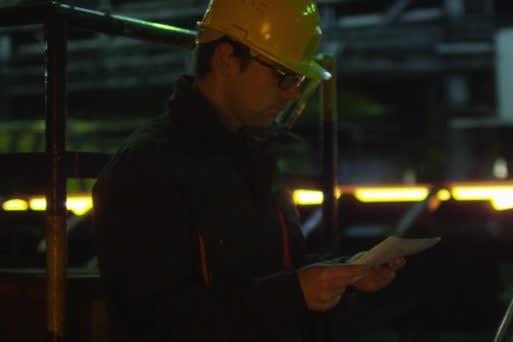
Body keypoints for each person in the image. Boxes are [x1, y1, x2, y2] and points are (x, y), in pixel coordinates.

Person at [92, 0, 405, 341]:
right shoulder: (147, 167)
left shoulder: (253, 156)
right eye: (284, 76)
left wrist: (345, 276)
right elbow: (155, 319)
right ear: (227, 58)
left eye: (298, 78)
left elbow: (277, 269)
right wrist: (294, 293)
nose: (293, 93)